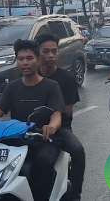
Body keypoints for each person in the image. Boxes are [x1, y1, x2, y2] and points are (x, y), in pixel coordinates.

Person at [0, 39, 65, 201]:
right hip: (14, 138)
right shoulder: (12, 87)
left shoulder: (51, 86)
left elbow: (56, 114)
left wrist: (51, 127)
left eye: (29, 58)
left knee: (43, 162)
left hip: (42, 138)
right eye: (21, 59)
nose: (25, 62)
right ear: (17, 61)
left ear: (38, 60)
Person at [36, 34, 85, 201]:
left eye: (54, 51)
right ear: (38, 53)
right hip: (30, 128)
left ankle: (75, 192)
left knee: (78, 151)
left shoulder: (66, 79)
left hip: (60, 129)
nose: (50, 55)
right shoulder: (30, 76)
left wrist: (51, 120)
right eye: (46, 51)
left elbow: (67, 112)